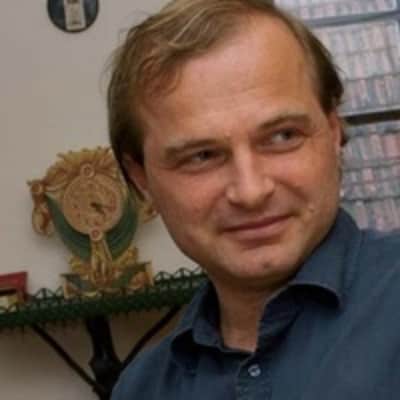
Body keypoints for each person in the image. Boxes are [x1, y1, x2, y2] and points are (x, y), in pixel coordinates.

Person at [108, 0, 400, 398]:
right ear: (141, 178)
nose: (250, 191)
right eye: (202, 156)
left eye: (282, 136)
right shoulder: (142, 390)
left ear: (333, 133)